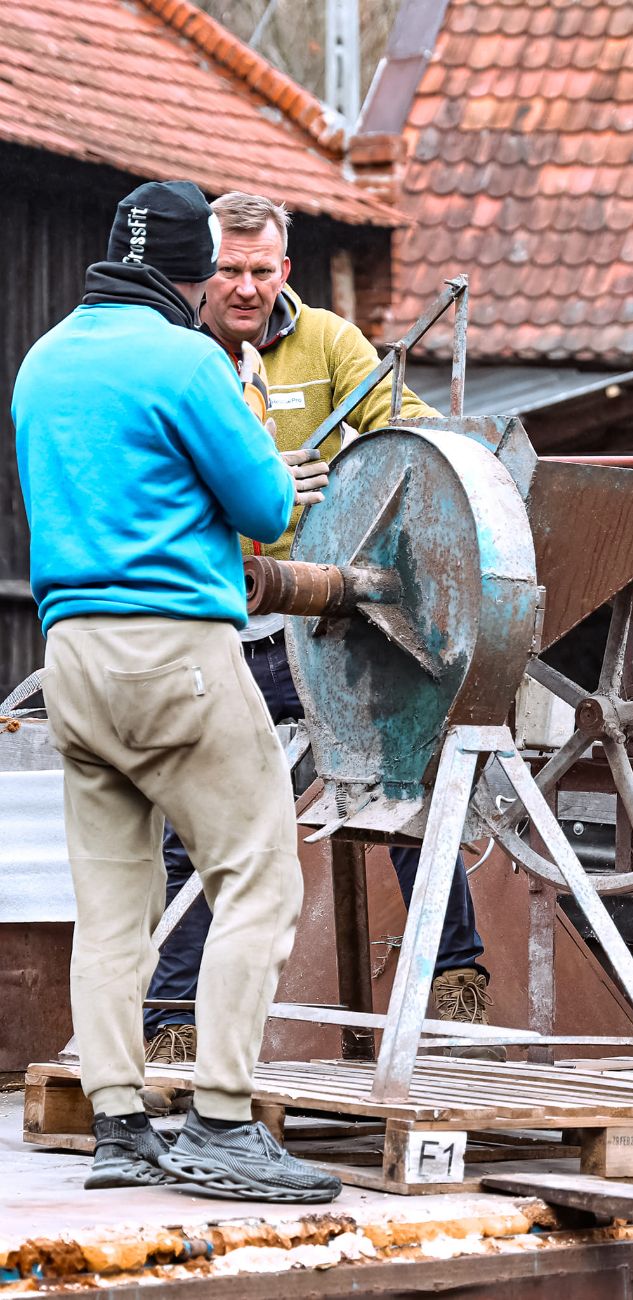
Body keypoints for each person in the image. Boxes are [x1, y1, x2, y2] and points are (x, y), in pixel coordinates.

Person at [13, 180, 341, 1204]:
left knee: (113, 904)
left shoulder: (42, 360)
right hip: (176, 653)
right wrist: (266, 454)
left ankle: (120, 1122)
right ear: (191, 273)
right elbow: (263, 504)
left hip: (70, 657)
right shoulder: (188, 358)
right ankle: (221, 1120)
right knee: (258, 874)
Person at [142, 191, 501, 1105]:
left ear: (286, 270)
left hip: (335, 625)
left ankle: (452, 986)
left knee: (407, 790)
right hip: (223, 621)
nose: (247, 288)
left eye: (263, 271)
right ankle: (172, 1015)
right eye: (229, 270)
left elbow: (412, 432)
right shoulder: (178, 359)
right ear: (202, 268)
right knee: (197, 822)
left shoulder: (334, 348)